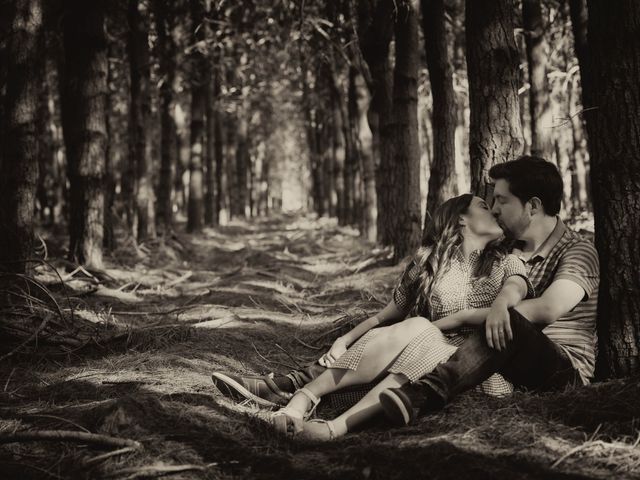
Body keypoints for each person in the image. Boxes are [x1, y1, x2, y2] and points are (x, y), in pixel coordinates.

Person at [214, 193, 533, 440]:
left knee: (424, 333)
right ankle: (299, 400)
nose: (493, 210)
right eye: (483, 204)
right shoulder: (427, 264)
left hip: (469, 372)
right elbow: (386, 316)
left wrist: (500, 304)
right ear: (461, 219)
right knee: (416, 333)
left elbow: (518, 291)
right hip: (411, 360)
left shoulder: (506, 263)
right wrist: (346, 338)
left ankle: (321, 420)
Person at [377, 156, 599, 426]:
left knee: (511, 323)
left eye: (502, 201)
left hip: (562, 371)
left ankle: (425, 394)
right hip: (499, 364)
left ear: (533, 206)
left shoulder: (579, 251)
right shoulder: (505, 251)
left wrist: (468, 316)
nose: (494, 210)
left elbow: (547, 309)